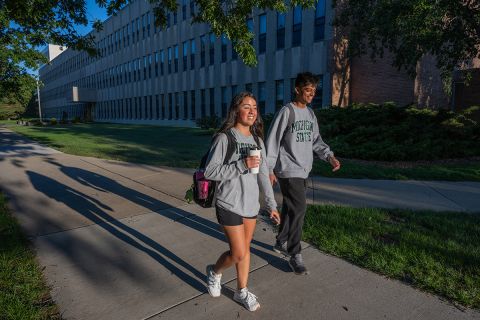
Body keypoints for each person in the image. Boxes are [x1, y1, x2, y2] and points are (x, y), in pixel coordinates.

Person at [204, 92, 281, 312]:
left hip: (250, 205)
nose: (252, 111)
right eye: (246, 106)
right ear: (236, 110)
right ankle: (215, 272)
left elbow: (263, 175)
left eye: (255, 107)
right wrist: (242, 164)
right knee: (238, 253)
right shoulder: (225, 138)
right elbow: (210, 171)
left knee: (245, 250)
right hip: (228, 203)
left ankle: (241, 291)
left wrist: (272, 205)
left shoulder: (257, 140)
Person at [266, 72, 341, 275]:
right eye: (308, 90)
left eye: (314, 91)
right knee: (299, 208)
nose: (311, 94)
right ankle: (294, 253)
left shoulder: (310, 114)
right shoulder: (286, 112)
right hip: (287, 169)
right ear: (297, 90)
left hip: (303, 169)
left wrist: (329, 156)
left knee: (292, 207)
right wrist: (269, 169)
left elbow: (316, 140)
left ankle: (281, 240)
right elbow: (272, 141)